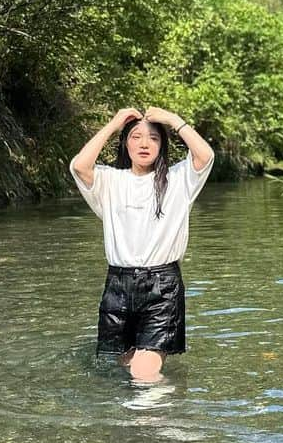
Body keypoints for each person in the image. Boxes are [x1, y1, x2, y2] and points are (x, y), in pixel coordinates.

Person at [69, 105, 215, 385]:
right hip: (118, 286)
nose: (145, 144)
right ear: (125, 144)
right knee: (128, 366)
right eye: (136, 137)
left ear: (163, 145)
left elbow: (205, 155)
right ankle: (155, 412)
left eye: (154, 138)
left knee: (142, 373)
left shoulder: (179, 179)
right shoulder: (110, 181)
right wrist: (113, 124)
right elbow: (79, 165)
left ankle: (157, 422)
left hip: (162, 286)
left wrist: (173, 120)